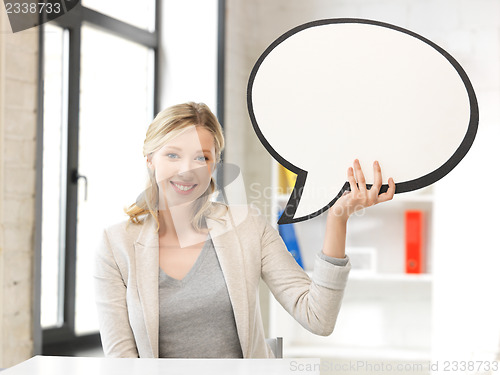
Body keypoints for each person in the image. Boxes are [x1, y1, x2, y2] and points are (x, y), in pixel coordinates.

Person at [94, 102, 395, 359]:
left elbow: (318, 318)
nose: (187, 169)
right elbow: (122, 363)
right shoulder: (116, 244)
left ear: (214, 165)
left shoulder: (248, 227)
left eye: (201, 157)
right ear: (150, 160)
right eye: (173, 155)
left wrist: (338, 218)